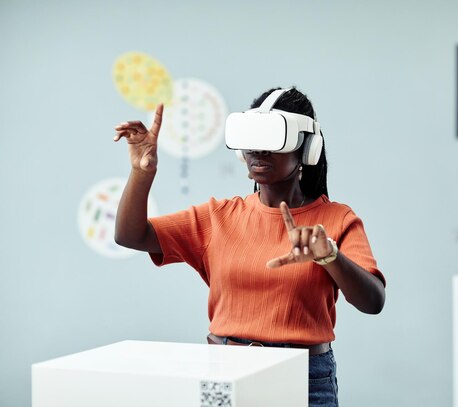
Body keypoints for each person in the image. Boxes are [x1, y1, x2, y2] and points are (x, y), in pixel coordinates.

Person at [113, 87, 386, 407]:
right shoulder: (217, 217)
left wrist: (329, 256)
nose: (258, 151)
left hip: (304, 377)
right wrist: (141, 173)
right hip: (224, 370)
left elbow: (373, 300)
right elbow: (130, 235)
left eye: (272, 139)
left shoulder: (336, 219)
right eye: (252, 139)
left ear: (307, 149)